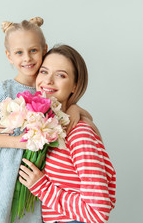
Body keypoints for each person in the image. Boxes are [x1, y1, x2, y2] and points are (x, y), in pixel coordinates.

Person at [0, 18, 92, 223]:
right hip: (4, 169)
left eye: (33, 50)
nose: (27, 58)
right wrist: (18, 141)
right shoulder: (6, 90)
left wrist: (75, 108)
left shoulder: (48, 89)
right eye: (19, 53)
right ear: (9, 56)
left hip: (34, 170)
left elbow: (70, 109)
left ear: (44, 50)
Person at [18, 45, 116, 223]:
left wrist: (42, 187)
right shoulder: (44, 128)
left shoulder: (80, 134)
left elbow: (98, 212)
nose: (48, 81)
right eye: (44, 71)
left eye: (61, 75)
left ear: (75, 86)